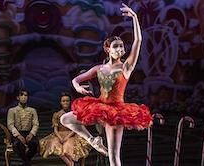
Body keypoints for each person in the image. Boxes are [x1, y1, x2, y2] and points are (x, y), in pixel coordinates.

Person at [60, 3, 153, 166]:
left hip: (116, 112)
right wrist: (76, 86)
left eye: (121, 47)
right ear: (108, 49)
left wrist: (135, 18)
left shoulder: (126, 68)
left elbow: (138, 40)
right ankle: (93, 141)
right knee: (65, 119)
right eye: (115, 46)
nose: (119, 49)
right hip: (98, 106)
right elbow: (77, 79)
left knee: (113, 158)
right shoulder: (99, 68)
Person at [39, 92, 91, 166]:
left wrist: (67, 137)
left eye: (67, 101)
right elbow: (55, 129)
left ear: (70, 102)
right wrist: (60, 137)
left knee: (69, 147)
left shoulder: (73, 114)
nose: (65, 103)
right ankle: (70, 163)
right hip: (59, 135)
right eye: (63, 101)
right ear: (60, 102)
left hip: (71, 134)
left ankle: (72, 163)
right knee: (55, 145)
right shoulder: (57, 114)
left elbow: (75, 128)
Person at [7, 89, 39, 166]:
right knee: (17, 144)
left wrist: (31, 134)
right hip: (17, 133)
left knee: (34, 144)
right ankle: (27, 163)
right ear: (18, 97)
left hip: (28, 133)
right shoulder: (12, 110)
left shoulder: (32, 110)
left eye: (26, 95)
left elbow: (36, 124)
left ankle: (25, 162)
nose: (24, 97)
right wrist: (18, 136)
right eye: (22, 95)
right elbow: (10, 125)